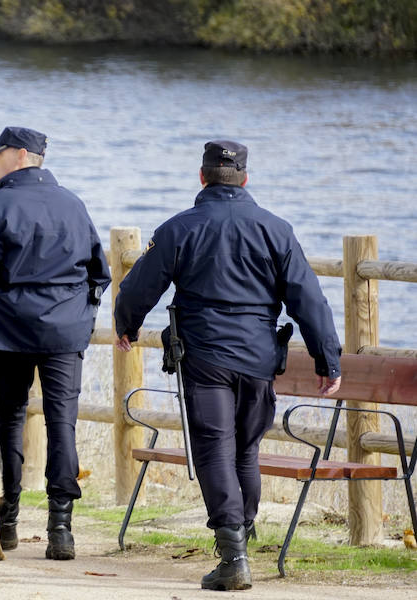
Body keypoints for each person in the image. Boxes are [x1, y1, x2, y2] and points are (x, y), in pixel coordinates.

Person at [113, 140, 342, 591]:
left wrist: (127, 323)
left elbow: (140, 286)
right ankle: (240, 538)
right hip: (259, 357)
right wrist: (327, 359)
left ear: (202, 178)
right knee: (245, 450)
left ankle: (234, 554)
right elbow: (308, 299)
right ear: (245, 178)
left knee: (215, 449)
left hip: (205, 356)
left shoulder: (180, 228)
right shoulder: (277, 229)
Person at [0, 126, 111, 560]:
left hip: (10, 332)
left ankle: (6, 523)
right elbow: (100, 272)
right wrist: (81, 315)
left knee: (8, 422)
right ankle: (61, 529)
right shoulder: (74, 204)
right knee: (63, 423)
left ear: (22, 155)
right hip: (65, 331)